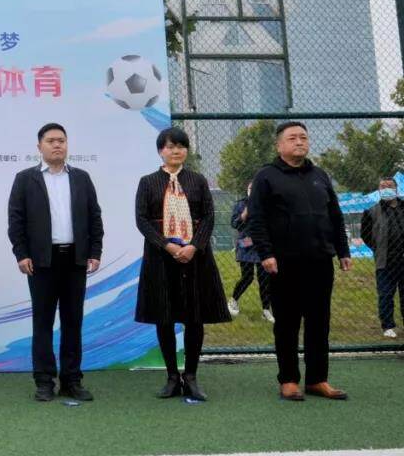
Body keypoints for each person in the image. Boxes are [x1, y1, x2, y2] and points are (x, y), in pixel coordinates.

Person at [246, 121, 352, 401]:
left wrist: (343, 250)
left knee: (319, 322)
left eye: (303, 137)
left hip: (320, 261)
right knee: (287, 324)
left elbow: (335, 215)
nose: (299, 142)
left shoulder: (319, 175)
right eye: (292, 138)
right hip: (283, 264)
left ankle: (317, 379)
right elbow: (256, 219)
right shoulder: (266, 177)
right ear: (279, 145)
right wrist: (266, 253)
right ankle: (289, 380)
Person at [7, 123, 103, 402]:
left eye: (61, 140)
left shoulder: (81, 178)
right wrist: (21, 254)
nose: (57, 145)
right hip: (41, 262)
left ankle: (72, 380)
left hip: (75, 259)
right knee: (43, 322)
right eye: (51, 141)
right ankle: (44, 381)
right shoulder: (25, 179)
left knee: (73, 321)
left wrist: (95, 251)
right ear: (39, 147)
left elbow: (94, 217)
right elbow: (16, 221)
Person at [134, 127, 230, 402]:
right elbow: (142, 220)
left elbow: (209, 216)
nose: (176, 151)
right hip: (161, 258)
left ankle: (191, 376)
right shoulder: (148, 182)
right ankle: (171, 377)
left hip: (195, 258)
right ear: (160, 151)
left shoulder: (197, 181)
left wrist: (193, 246)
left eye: (181, 146)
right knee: (164, 316)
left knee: (194, 317)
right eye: (170, 146)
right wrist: (168, 245)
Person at [360, 177, 404, 339]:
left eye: (389, 186)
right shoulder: (371, 212)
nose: (386, 189)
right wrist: (378, 249)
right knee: (385, 295)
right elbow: (365, 235)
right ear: (379, 190)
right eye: (383, 186)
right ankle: (388, 326)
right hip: (385, 261)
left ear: (396, 189)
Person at [227, 182, 274, 323]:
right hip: (246, 243)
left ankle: (266, 310)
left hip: (261, 245)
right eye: (251, 189)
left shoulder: (266, 204)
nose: (253, 191)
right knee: (247, 277)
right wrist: (245, 213)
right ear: (247, 190)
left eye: (256, 189)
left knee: (264, 279)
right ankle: (233, 300)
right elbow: (235, 224)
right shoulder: (241, 204)